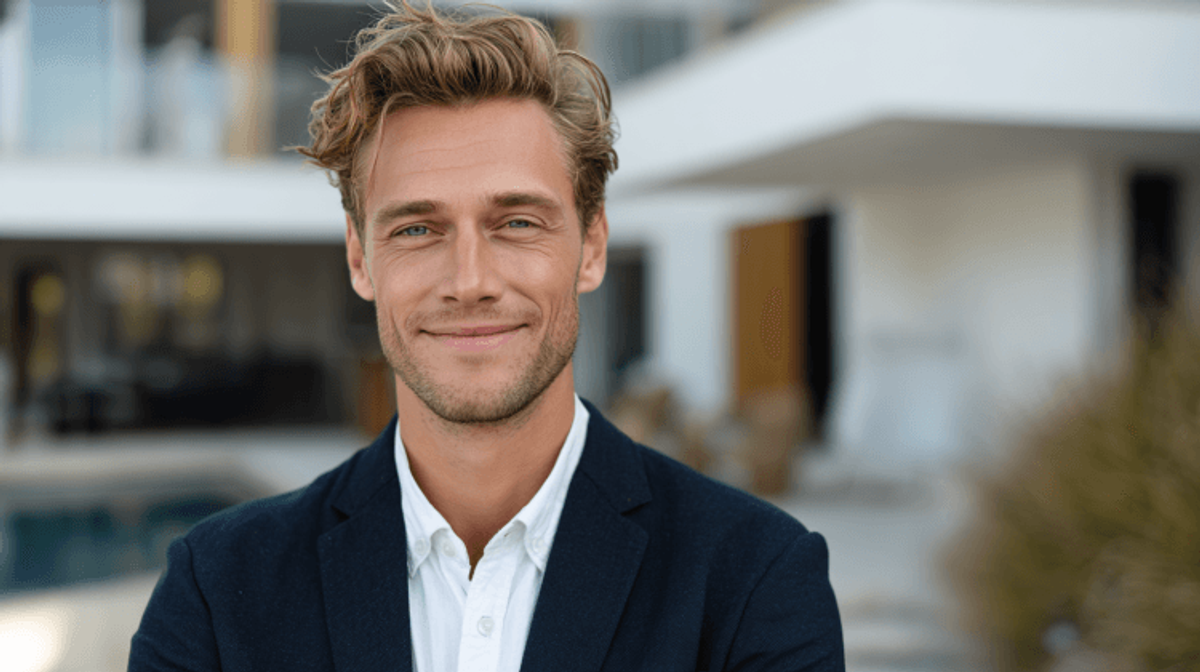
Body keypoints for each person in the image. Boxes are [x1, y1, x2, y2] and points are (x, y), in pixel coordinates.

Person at [128, 3, 844, 671]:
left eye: (518, 223)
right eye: (416, 228)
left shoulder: (756, 579)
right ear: (359, 259)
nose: (469, 280)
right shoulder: (217, 590)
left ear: (591, 245)